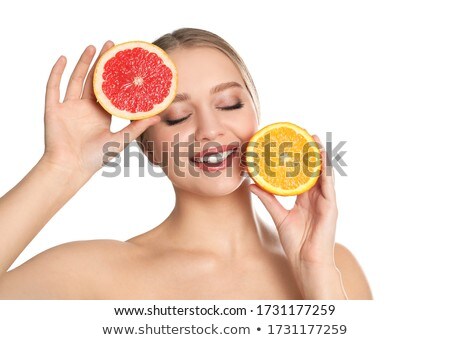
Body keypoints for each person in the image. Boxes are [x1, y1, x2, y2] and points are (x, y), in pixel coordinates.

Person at [0, 28, 372, 299]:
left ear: (256, 116)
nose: (210, 130)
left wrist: (316, 274)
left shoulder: (335, 266)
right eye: (177, 117)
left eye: (229, 104)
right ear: (146, 146)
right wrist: (62, 167)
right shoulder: (89, 273)